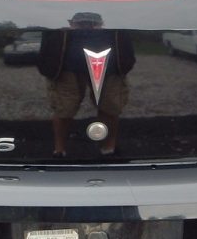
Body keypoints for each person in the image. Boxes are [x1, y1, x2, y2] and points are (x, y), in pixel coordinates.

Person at [37, 12, 135, 157]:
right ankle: (59, 151)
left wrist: (125, 64)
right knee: (64, 109)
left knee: (111, 107)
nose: (87, 26)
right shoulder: (57, 19)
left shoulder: (117, 13)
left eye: (90, 24)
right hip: (66, 68)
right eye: (82, 24)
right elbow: (47, 42)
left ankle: (109, 149)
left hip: (111, 67)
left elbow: (125, 38)